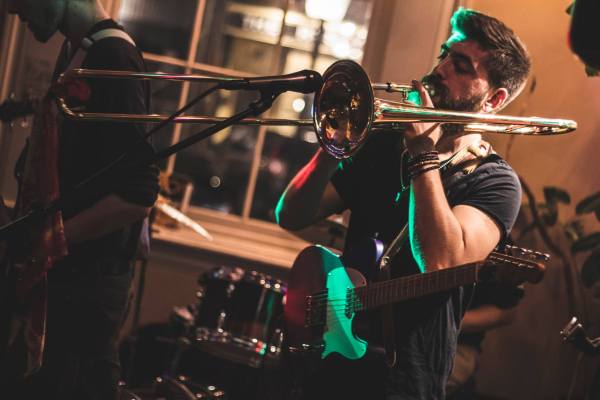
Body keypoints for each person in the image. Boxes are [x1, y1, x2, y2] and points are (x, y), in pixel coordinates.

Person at [276, 7, 531, 400]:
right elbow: (291, 215)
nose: (441, 68)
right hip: (330, 359)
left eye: (461, 66)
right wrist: (332, 146)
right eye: (445, 54)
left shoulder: (495, 182)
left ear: (493, 99)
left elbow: (441, 261)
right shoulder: (383, 145)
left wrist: (423, 154)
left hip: (405, 377)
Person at [0, 0, 159, 399]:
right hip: (69, 282)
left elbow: (138, 195)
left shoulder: (114, 58)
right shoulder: (78, 48)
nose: (13, 10)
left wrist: (50, 240)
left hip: (86, 290)